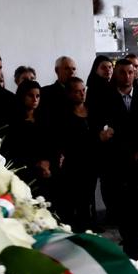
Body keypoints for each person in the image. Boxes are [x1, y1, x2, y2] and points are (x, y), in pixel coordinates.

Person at [91, 56, 138, 258]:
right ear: (115, 74)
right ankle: (130, 248)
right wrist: (129, 151)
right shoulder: (103, 98)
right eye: (122, 72)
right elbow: (104, 130)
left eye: (131, 72)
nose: (127, 76)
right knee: (123, 211)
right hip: (117, 163)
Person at [50, 76, 97, 231]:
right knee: (70, 206)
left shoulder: (92, 110)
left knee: (86, 203)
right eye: (77, 92)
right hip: (72, 166)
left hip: (90, 164)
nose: (82, 94)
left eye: (83, 90)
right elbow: (68, 141)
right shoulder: (63, 114)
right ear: (69, 94)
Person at [0, 79, 57, 188]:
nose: (35, 99)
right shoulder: (12, 121)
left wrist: (48, 163)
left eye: (38, 96)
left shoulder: (45, 118)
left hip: (47, 172)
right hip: (23, 173)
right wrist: (35, 164)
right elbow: (11, 149)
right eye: (31, 95)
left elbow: (52, 143)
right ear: (22, 96)